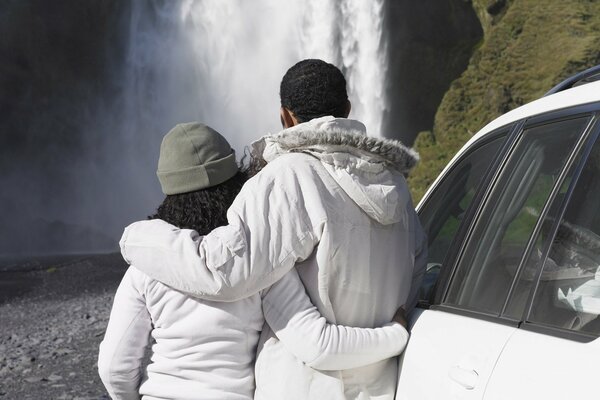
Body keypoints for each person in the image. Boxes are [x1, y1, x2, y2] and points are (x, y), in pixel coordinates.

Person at [119, 59, 427, 399]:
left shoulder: (290, 176)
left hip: (304, 386)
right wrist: (393, 334)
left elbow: (224, 270)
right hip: (381, 386)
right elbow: (413, 279)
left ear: (286, 116)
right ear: (348, 109)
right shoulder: (397, 186)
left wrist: (137, 237)